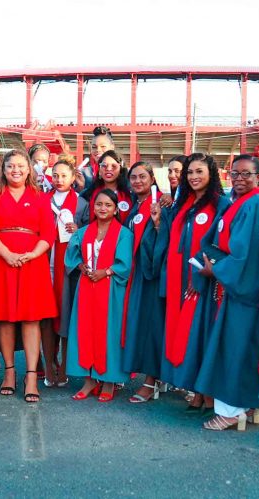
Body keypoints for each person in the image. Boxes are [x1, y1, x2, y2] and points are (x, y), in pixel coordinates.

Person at [193, 155, 259, 430]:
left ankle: (230, 411)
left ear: (258, 177)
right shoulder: (241, 203)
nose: (239, 179)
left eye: (246, 174)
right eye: (235, 174)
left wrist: (215, 270)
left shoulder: (253, 205)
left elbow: (244, 255)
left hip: (243, 289)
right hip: (237, 286)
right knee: (243, 347)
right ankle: (247, 406)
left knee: (235, 348)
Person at [0, 149, 57, 403]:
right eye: (11, 166)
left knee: (32, 319)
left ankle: (31, 376)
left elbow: (48, 233)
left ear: (29, 169)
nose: (16, 170)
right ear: (3, 169)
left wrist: (33, 254)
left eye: (21, 166)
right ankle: (9, 372)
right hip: (1, 260)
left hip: (32, 262)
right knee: (5, 317)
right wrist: (7, 254)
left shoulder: (41, 197)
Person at [157, 153, 230, 416]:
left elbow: (221, 244)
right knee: (184, 336)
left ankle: (207, 394)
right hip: (179, 281)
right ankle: (195, 391)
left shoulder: (220, 204)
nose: (194, 177)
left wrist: (201, 275)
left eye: (200, 171)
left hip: (203, 283)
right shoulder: (184, 204)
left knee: (200, 336)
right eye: (190, 172)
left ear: (211, 174)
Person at [66, 189, 133, 402]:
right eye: (99, 205)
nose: (103, 208)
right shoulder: (83, 232)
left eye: (108, 205)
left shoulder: (123, 234)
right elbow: (71, 254)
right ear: (93, 207)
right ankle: (90, 378)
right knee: (86, 329)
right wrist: (81, 266)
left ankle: (109, 380)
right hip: (87, 287)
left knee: (109, 332)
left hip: (111, 287)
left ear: (115, 209)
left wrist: (106, 271)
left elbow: (125, 264)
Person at [120, 161, 165, 403]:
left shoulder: (159, 204)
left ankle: (151, 381)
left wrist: (158, 222)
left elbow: (163, 238)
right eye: (133, 178)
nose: (137, 181)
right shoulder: (134, 205)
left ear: (152, 179)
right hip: (135, 273)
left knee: (151, 327)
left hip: (150, 274)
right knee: (137, 325)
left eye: (142, 177)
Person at [42, 158, 78, 387]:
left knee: (65, 314)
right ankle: (48, 365)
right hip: (44, 265)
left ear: (73, 178)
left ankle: (64, 365)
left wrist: (79, 230)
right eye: (55, 175)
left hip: (69, 269)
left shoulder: (81, 203)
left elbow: (92, 231)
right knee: (46, 316)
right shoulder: (42, 201)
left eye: (64, 175)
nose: (59, 179)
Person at [75, 150, 132, 226]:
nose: (108, 169)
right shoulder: (88, 194)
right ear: (99, 170)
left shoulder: (130, 195)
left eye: (113, 166)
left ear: (120, 170)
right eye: (104, 166)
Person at [74, 126, 115, 192]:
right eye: (94, 147)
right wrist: (81, 187)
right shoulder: (84, 173)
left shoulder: (121, 173)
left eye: (103, 146)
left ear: (112, 147)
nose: (98, 150)